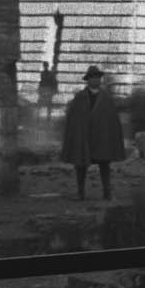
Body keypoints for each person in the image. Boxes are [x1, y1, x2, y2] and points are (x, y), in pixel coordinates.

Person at [58, 66, 127, 202]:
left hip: (102, 138)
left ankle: (107, 193)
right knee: (80, 166)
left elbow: (113, 120)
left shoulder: (107, 98)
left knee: (104, 165)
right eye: (92, 77)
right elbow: (73, 119)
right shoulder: (79, 97)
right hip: (84, 138)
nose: (95, 79)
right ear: (88, 80)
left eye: (97, 77)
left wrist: (110, 137)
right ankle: (81, 193)